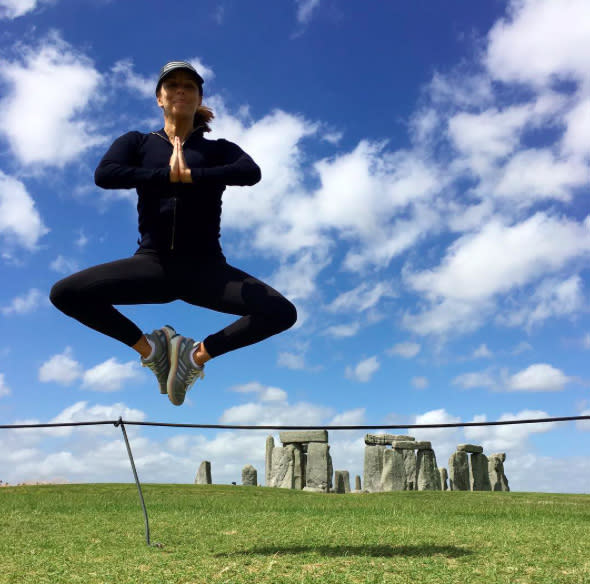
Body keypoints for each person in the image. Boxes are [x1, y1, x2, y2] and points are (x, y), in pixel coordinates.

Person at [50, 60, 297, 406]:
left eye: (189, 86)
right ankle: (152, 351)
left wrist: (194, 174)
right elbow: (105, 174)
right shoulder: (138, 142)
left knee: (282, 313)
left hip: (206, 268)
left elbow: (250, 172)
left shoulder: (217, 148)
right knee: (66, 294)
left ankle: (192, 358)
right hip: (153, 264)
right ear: (159, 99)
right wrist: (163, 176)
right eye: (172, 86)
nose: (180, 90)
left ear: (198, 99)